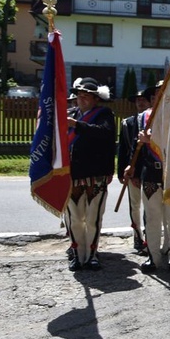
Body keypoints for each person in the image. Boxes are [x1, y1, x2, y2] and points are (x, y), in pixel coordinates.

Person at [130, 80, 170, 274]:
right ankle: (153, 257)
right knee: (152, 217)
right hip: (151, 173)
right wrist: (133, 169)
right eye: (157, 93)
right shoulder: (144, 118)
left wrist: (150, 139)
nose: (161, 97)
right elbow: (136, 148)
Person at [65, 77, 116, 271]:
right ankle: (78, 254)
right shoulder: (70, 114)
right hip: (73, 174)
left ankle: (92, 254)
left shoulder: (104, 115)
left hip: (96, 174)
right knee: (75, 218)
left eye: (87, 96)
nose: (82, 99)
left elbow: (104, 134)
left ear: (96, 99)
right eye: (79, 96)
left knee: (93, 217)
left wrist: (77, 125)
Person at [117, 88, 153, 255]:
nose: (140, 102)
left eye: (143, 99)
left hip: (148, 172)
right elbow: (123, 150)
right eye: (137, 100)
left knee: (149, 207)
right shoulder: (128, 123)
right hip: (131, 174)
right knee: (135, 206)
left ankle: (149, 238)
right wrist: (122, 173)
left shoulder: (153, 122)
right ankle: (137, 237)